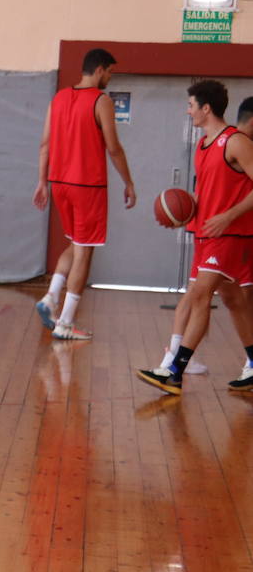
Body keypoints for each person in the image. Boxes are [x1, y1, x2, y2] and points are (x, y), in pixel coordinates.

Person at [138, 82, 253, 395]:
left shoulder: (236, 141)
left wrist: (229, 215)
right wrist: (184, 212)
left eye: (190, 105)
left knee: (201, 295)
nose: (187, 111)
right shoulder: (203, 146)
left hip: (229, 234)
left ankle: (175, 371)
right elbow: (207, 194)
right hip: (205, 234)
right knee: (233, 300)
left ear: (206, 108)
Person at [32, 47, 137, 340]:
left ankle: (50, 298)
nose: (110, 78)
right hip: (87, 185)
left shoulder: (59, 98)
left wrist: (42, 182)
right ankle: (65, 323)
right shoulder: (101, 100)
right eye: (110, 72)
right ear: (100, 69)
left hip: (60, 184)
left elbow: (44, 145)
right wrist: (128, 182)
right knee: (85, 253)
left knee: (75, 245)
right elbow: (113, 148)